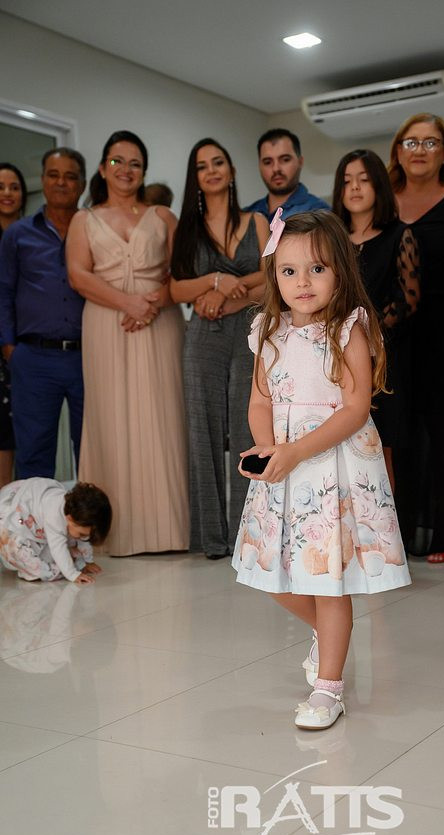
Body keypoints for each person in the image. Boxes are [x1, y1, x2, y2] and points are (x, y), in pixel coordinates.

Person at [232, 210, 411, 729]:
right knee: (272, 575)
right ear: (274, 275)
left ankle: (328, 688)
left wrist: (298, 450)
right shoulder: (266, 330)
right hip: (284, 468)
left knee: (330, 581)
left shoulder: (348, 328)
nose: (303, 282)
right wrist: (269, 449)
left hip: (333, 465)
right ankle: (327, 635)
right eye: (289, 271)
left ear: (340, 271)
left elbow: (354, 409)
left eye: (317, 269)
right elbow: (260, 402)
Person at [67, 130, 189, 556]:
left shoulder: (163, 216)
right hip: (106, 324)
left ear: (144, 171)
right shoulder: (84, 220)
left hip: (161, 324)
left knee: (163, 415)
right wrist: (128, 303)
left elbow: (183, 273)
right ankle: (110, 531)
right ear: (103, 168)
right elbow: (78, 276)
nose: (126, 169)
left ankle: (171, 529)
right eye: (117, 161)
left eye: (135, 163)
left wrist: (151, 305)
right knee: (111, 417)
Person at [170, 138, 269, 559]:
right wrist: (213, 281)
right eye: (202, 166)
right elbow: (176, 289)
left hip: (249, 331)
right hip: (203, 337)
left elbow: (271, 278)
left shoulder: (257, 221)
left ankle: (249, 535)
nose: (211, 170)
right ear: (194, 177)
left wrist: (229, 294)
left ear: (231, 171)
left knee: (249, 429)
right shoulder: (186, 229)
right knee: (203, 431)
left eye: (218, 162)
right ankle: (212, 538)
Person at [388, 114, 444, 563]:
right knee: (400, 433)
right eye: (411, 142)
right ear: (397, 151)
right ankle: (402, 532)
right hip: (395, 335)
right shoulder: (383, 202)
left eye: (430, 142)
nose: (419, 150)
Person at [332, 148, 419, 493]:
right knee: (340, 448)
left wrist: (364, 335)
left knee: (380, 448)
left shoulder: (400, 234)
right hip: (335, 356)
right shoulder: (332, 241)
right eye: (347, 181)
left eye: (364, 180)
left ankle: (385, 525)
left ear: (379, 185)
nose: (354, 187)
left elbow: (408, 300)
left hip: (385, 360)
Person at [0, 149, 87, 480]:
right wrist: (10, 347)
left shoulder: (93, 229)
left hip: (87, 358)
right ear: (43, 180)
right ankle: (33, 517)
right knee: (34, 455)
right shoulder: (18, 234)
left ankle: (89, 516)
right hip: (33, 359)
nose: (61, 182)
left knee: (93, 452)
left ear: (82, 184)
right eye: (53, 175)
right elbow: (4, 292)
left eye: (70, 176)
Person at [0, 477, 111, 583]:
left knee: (70, 540)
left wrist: (88, 561)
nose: (83, 537)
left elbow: (84, 540)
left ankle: (62, 564)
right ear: (70, 518)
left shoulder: (75, 511)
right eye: (81, 534)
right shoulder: (55, 515)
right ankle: (48, 570)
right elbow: (58, 547)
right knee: (19, 552)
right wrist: (72, 574)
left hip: (32, 513)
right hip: (9, 520)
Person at [0, 163, 27, 487]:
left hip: (28, 346)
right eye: (1, 187)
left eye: (14, 187)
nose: (7, 193)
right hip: (4, 346)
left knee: (24, 432)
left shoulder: (32, 235)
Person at [245, 128, 329, 222]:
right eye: (268, 162)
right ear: (259, 166)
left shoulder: (319, 213)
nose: (276, 169)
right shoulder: (246, 215)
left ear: (300, 162)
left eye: (285, 160)